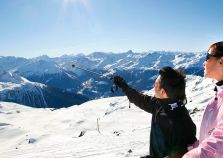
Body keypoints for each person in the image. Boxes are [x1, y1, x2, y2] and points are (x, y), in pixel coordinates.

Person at [113, 66, 197, 158]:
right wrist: (124, 86)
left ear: (163, 92)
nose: (153, 86)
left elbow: (186, 155)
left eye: (156, 84)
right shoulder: (162, 104)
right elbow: (140, 99)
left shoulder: (180, 123)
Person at [182, 41, 223, 158]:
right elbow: (209, 138)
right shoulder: (216, 98)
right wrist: (186, 150)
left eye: (207, 57)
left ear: (221, 61)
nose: (203, 63)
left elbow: (219, 144)